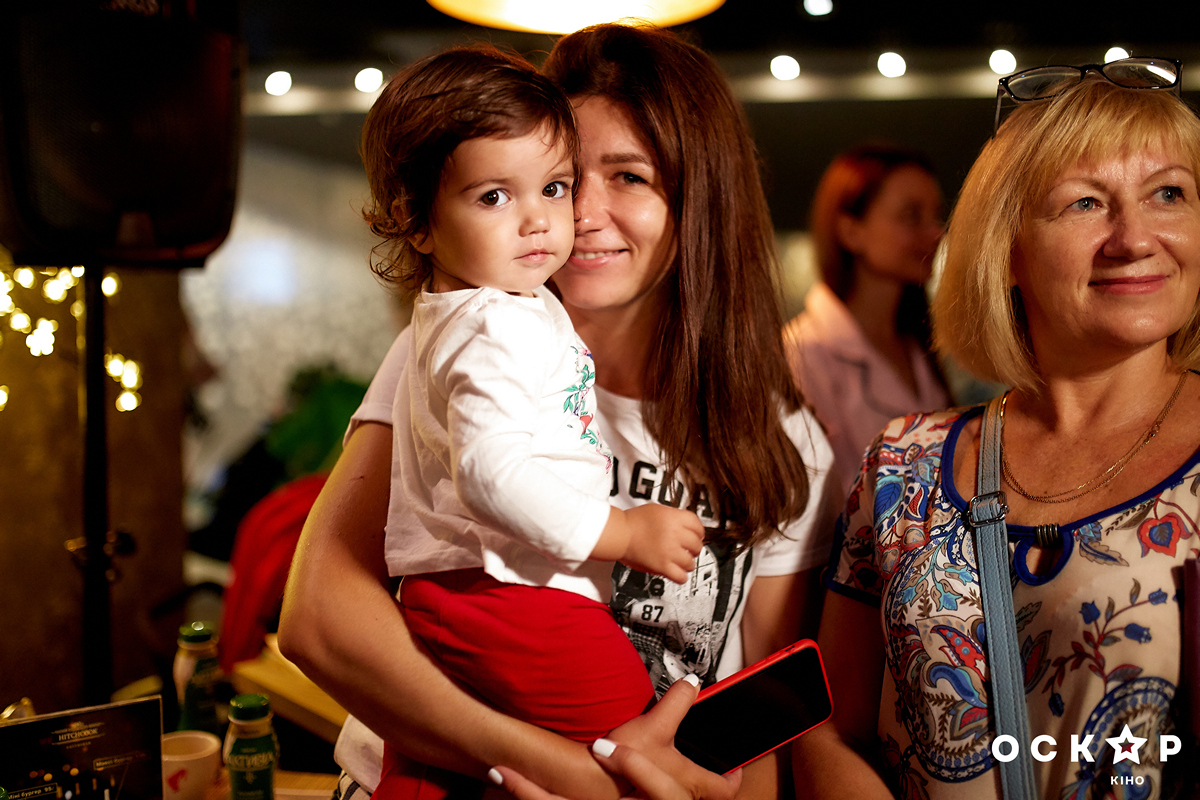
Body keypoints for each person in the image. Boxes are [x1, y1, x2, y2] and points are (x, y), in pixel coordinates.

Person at [278, 23, 842, 800]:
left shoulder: (784, 441)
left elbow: (768, 719)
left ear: (699, 200)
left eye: (630, 177)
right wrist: (573, 775)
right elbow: (319, 622)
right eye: (567, 177)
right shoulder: (468, 343)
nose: (579, 212)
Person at [792, 63, 1200, 798]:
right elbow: (829, 729)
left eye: (1168, 193)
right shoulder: (902, 464)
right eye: (1084, 203)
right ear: (1005, 249)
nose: (1134, 238)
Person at [353, 44, 707, 800]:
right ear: (416, 223)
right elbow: (491, 472)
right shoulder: (494, 326)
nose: (551, 219)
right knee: (619, 714)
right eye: (493, 196)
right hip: (505, 591)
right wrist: (623, 533)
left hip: (464, 591)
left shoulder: (500, 310)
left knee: (424, 767)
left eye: (553, 185)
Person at [783, 144, 950, 493]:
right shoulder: (802, 353)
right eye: (911, 216)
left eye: (935, 216)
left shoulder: (917, 343)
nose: (934, 233)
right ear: (850, 231)